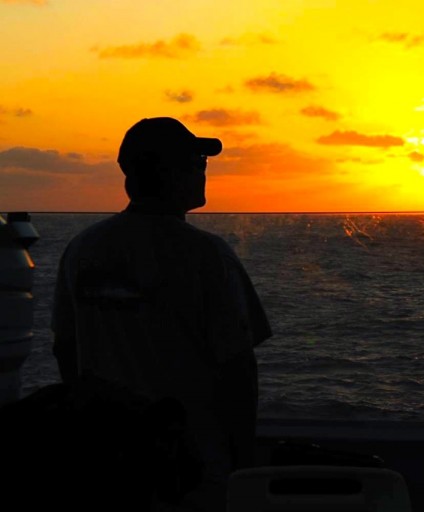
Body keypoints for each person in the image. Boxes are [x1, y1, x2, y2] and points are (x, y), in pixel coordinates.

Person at [51, 117, 272, 510]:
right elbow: (238, 370)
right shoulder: (207, 255)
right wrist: (244, 457)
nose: (203, 171)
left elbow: (66, 350)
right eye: (196, 162)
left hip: (107, 463)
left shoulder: (83, 250)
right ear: (172, 173)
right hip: (190, 467)